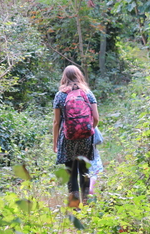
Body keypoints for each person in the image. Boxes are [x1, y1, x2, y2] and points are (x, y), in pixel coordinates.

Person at [52, 65, 99, 207]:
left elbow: (56, 122)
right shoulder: (88, 93)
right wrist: (89, 130)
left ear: (64, 77)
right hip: (85, 138)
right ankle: (87, 203)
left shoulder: (60, 95)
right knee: (84, 170)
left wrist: (55, 143)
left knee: (71, 171)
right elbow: (96, 118)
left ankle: (74, 205)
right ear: (79, 76)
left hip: (67, 138)